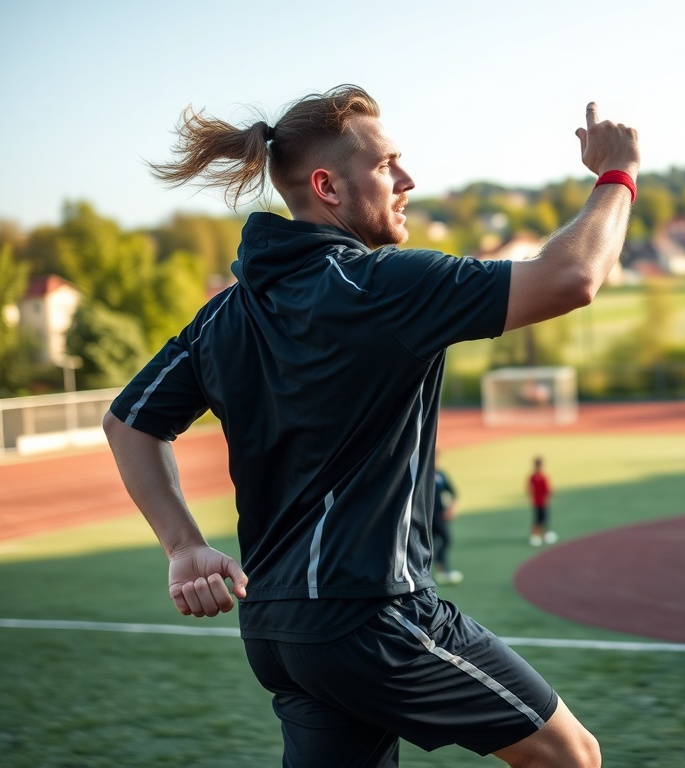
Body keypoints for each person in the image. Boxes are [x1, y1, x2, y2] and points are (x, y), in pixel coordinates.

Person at [102, 84, 637, 767]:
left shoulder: (224, 314)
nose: (408, 180)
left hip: (278, 631)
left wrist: (183, 546)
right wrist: (617, 175)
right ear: (327, 186)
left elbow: (129, 424)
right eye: (387, 165)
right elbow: (571, 277)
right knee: (571, 756)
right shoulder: (382, 285)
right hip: (370, 615)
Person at [433, 453, 462, 585]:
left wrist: (451, 509)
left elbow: (453, 493)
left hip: (438, 514)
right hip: (424, 517)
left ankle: (441, 569)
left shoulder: (441, 475)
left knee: (445, 539)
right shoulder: (421, 473)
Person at [527, 456, 556, 546]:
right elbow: (530, 489)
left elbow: (547, 489)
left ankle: (544, 535)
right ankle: (536, 536)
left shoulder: (541, 476)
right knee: (537, 519)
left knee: (544, 519)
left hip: (542, 501)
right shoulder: (534, 477)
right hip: (537, 501)